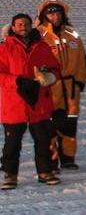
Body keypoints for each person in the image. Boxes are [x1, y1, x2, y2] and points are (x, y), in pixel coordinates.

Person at [0, 13, 62, 189]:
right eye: (19, 24)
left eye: (26, 24)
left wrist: (49, 77)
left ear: (31, 26)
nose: (23, 27)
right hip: (14, 104)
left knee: (43, 141)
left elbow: (56, 69)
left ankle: (45, 172)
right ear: (13, 27)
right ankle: (10, 175)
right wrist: (17, 81)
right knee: (12, 144)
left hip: (39, 103)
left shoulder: (42, 47)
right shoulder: (5, 49)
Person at [35, 0, 86, 171]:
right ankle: (51, 160)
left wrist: (79, 82)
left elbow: (81, 61)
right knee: (49, 126)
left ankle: (68, 158)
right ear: (44, 15)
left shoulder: (73, 36)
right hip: (49, 88)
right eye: (50, 13)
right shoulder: (38, 36)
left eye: (57, 12)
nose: (54, 16)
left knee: (69, 125)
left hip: (70, 88)